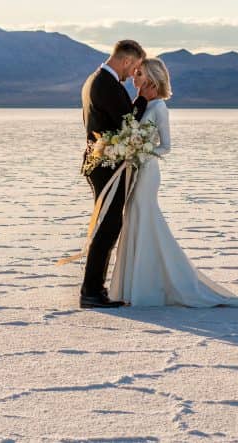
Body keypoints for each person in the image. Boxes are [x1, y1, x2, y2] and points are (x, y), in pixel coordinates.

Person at [109, 57, 238, 308]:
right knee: (134, 219)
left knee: (146, 219)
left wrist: (141, 153)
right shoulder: (140, 105)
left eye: (139, 74)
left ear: (151, 79)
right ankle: (133, 287)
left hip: (148, 172)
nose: (134, 77)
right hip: (136, 171)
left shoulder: (160, 108)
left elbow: (166, 146)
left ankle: (149, 287)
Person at [78, 39, 159, 309]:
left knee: (109, 223)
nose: (133, 74)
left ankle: (94, 290)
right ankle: (91, 292)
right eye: (134, 67)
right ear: (126, 61)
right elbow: (128, 124)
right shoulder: (106, 84)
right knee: (109, 224)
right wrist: (143, 100)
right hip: (107, 166)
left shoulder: (94, 79)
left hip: (101, 161)